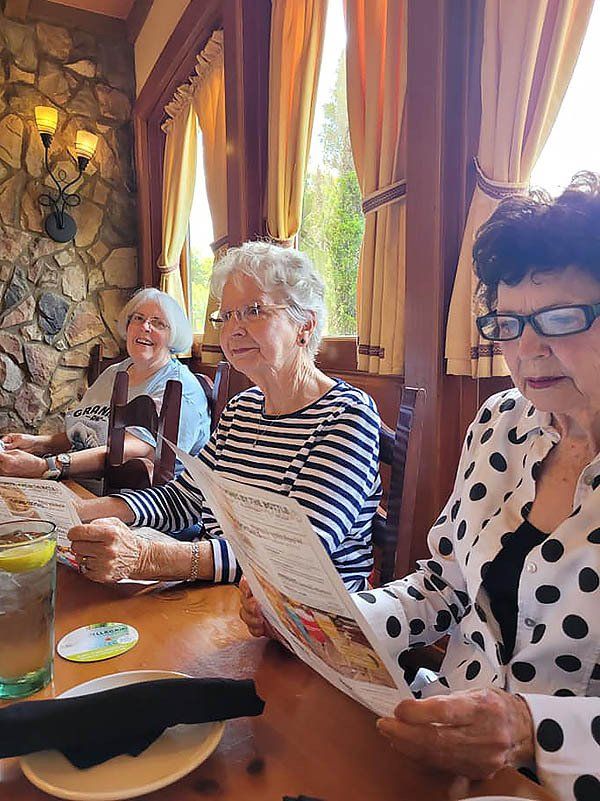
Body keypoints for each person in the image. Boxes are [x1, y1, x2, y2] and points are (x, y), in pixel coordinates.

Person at [241, 173, 600, 801]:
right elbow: (443, 586)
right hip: (436, 740)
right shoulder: (502, 424)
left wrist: (529, 731)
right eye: (509, 325)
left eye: (562, 318)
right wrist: (324, 619)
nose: (530, 349)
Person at [68, 242, 381, 590]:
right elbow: (186, 498)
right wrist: (78, 512)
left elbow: (292, 553)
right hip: (224, 596)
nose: (233, 329)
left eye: (253, 311)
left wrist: (145, 557)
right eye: (227, 315)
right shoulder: (242, 409)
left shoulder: (347, 416)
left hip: (303, 615)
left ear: (304, 326)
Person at [0, 288, 210, 487]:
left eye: (158, 323)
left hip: (140, 498)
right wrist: (37, 444)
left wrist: (45, 466)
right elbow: (84, 431)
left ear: (173, 336)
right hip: (82, 482)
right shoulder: (116, 372)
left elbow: (128, 452)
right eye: (138, 318)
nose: (145, 327)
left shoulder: (180, 388)